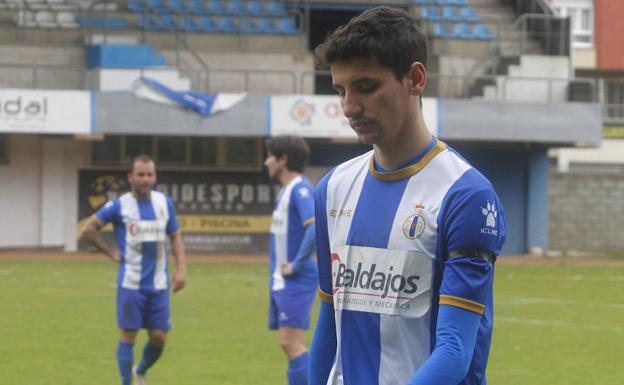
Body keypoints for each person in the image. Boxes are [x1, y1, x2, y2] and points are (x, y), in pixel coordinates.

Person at [309, 6, 506, 385]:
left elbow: (453, 351)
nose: (349, 106)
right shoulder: (332, 189)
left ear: (415, 79)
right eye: (341, 90)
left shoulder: (465, 196)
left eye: (366, 87)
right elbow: (327, 331)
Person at [81, 154, 187, 385]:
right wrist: (110, 252)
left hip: (159, 283)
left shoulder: (164, 203)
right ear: (131, 177)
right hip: (130, 283)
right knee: (129, 334)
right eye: (140, 174)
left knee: (159, 337)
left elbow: (175, 237)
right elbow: (89, 229)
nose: (146, 179)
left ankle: (141, 369)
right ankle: (126, 382)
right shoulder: (119, 206)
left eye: (150, 174)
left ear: (155, 176)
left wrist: (181, 269)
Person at [264, 135, 318, 385]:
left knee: (291, 344)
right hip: (282, 280)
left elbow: (314, 226)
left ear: (283, 159)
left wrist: (296, 264)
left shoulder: (300, 189)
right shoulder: (286, 191)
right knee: (288, 345)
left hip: (296, 278)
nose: (266, 162)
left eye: (270, 156)